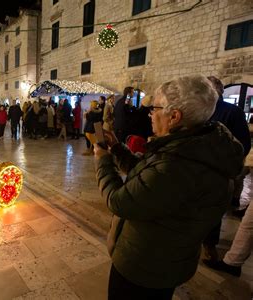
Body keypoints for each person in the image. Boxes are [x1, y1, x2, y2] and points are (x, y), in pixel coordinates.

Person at [94, 75, 244, 299]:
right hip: (169, 260)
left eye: (154, 108)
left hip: (145, 267)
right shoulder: (194, 146)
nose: (150, 114)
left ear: (174, 116)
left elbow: (119, 201)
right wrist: (116, 149)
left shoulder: (178, 165)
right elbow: (149, 177)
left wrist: (103, 161)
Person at [202, 76, 252, 262]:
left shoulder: (232, 111)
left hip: (218, 170)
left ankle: (209, 244)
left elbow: (243, 144)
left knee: (215, 210)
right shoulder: (201, 109)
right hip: (197, 168)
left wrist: (227, 163)